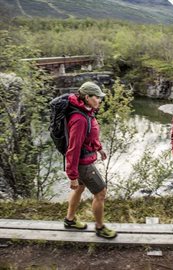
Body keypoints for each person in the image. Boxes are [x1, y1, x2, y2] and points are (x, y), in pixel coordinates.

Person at [63, 81, 117, 239]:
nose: (100, 100)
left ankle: (70, 220)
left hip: (85, 160)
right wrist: (72, 176)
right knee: (101, 192)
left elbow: (90, 134)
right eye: (97, 97)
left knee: (79, 189)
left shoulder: (87, 111)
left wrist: (98, 147)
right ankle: (100, 228)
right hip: (83, 164)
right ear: (87, 97)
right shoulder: (79, 119)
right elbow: (73, 149)